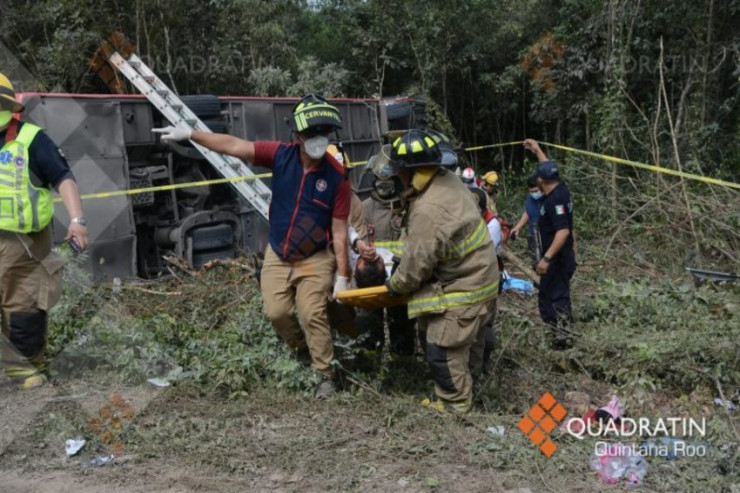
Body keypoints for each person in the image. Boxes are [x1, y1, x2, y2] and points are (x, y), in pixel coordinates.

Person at [154, 94, 351, 398]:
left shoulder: (336, 178)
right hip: (279, 252)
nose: (318, 140)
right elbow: (234, 145)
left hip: (315, 256)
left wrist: (343, 277)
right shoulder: (281, 156)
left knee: (311, 311)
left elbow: (339, 231)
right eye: (311, 134)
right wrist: (191, 135)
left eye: (323, 134)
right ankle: (302, 351)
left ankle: (325, 374)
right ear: (298, 137)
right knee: (277, 313)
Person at [385, 130, 499, 414]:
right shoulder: (446, 180)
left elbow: (415, 269)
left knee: (440, 347)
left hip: (466, 285)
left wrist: (394, 285)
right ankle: (474, 385)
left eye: (398, 171)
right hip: (481, 277)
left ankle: (455, 404)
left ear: (411, 172)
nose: (395, 178)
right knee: (467, 343)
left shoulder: (429, 208)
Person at [0, 72, 89, 388]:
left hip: (24, 242)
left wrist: (77, 221)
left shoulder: (31, 139)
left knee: (23, 303)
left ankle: (23, 367)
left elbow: (63, 177)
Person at [358, 145, 415, 356]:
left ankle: (403, 362)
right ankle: (370, 362)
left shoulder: (408, 206)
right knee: (368, 322)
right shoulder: (365, 208)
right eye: (379, 179)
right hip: (372, 279)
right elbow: (356, 241)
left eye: (388, 180)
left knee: (402, 321)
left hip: (400, 277)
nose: (383, 185)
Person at [524, 139, 577, 348]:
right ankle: (557, 333)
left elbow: (563, 231)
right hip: (556, 259)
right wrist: (537, 151)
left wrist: (546, 258)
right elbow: (548, 169)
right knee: (547, 296)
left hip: (558, 259)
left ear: (541, 181)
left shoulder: (556, 201)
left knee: (557, 298)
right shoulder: (559, 188)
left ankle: (563, 339)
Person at [510, 171, 545, 269]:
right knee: (535, 260)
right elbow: (528, 212)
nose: (534, 194)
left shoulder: (549, 197)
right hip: (533, 232)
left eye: (536, 191)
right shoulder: (530, 198)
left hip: (546, 233)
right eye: (532, 191)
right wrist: (518, 227)